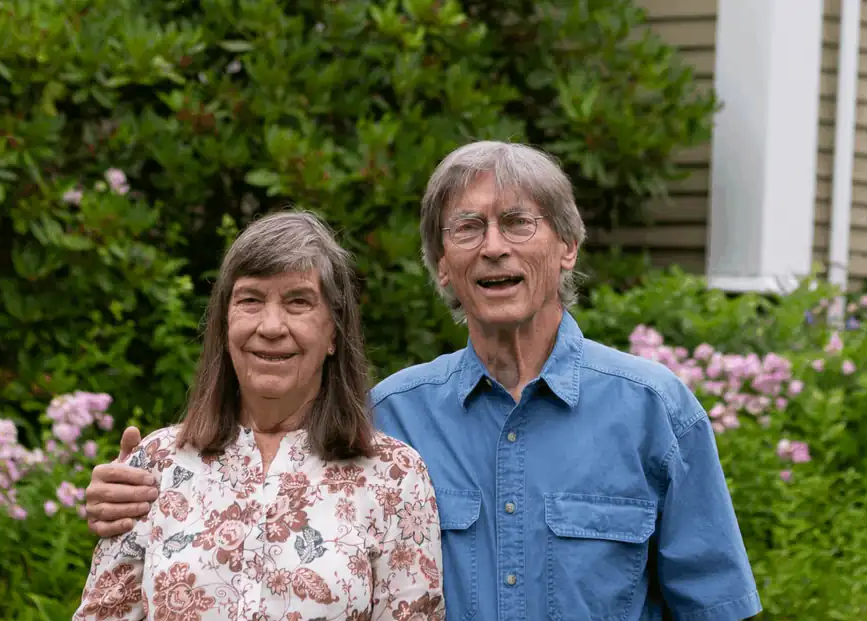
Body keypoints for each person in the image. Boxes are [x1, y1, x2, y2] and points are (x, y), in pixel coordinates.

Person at [85, 141, 762, 621]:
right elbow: (259, 450)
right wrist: (125, 493)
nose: (492, 246)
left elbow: (715, 607)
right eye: (467, 228)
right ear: (441, 263)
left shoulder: (654, 411)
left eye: (518, 222)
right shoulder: (386, 420)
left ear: (567, 246)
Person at [72, 211, 445, 621]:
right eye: (250, 300)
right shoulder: (157, 463)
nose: (270, 326)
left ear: (334, 333)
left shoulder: (394, 478)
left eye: (298, 302)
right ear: (224, 324)